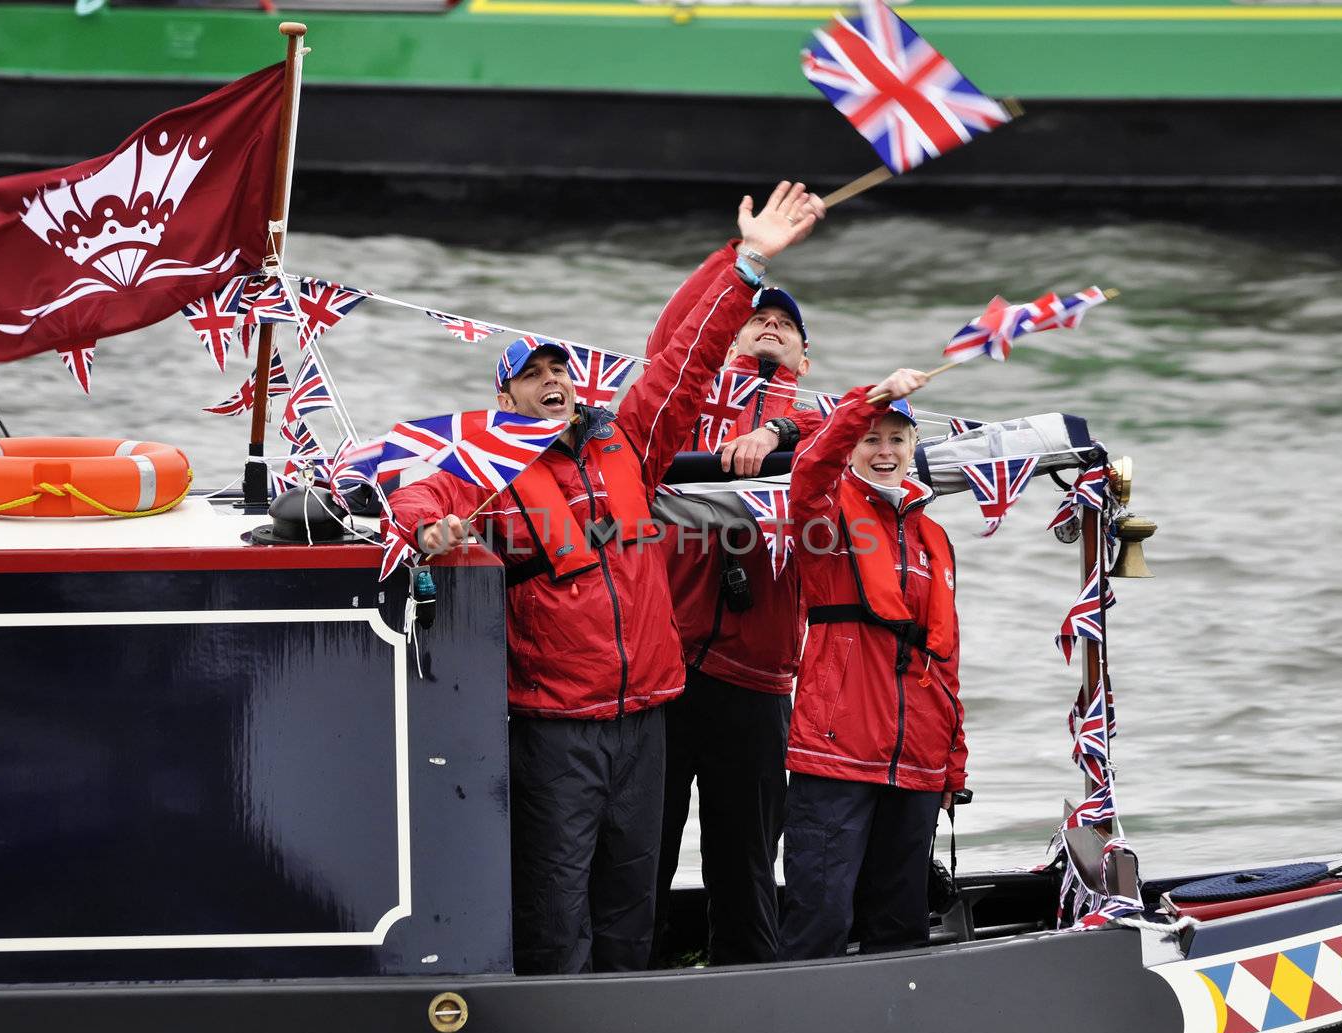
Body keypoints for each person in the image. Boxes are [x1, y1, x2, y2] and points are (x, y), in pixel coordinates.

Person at [388, 181, 826, 975]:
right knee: (557, 900)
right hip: (557, 726)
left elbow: (685, 363)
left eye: (561, 369)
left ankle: (632, 1024)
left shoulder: (629, 443)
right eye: (533, 373)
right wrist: (426, 525)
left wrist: (749, 263)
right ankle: (561, 1026)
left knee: (631, 899)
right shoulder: (490, 469)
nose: (552, 380)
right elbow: (418, 489)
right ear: (505, 395)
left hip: (648, 719)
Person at [645, 248, 825, 966]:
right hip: (669, 672)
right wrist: (741, 266)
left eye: (787, 325)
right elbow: (671, 341)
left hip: (756, 685)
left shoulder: (820, 424)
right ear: (728, 338)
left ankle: (747, 986)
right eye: (758, 320)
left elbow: (860, 424)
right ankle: (625, 981)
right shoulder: (689, 402)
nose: (772, 326)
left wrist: (777, 432)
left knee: (746, 862)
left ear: (807, 361)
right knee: (643, 850)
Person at [778, 370, 969, 960]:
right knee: (820, 915)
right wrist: (867, 402)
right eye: (871, 439)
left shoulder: (934, 535)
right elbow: (810, 469)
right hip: (836, 753)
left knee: (902, 926)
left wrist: (951, 766)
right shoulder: (824, 514)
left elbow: (949, 658)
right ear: (852, 445)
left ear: (915, 449)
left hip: (918, 758)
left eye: (897, 439)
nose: (884, 451)